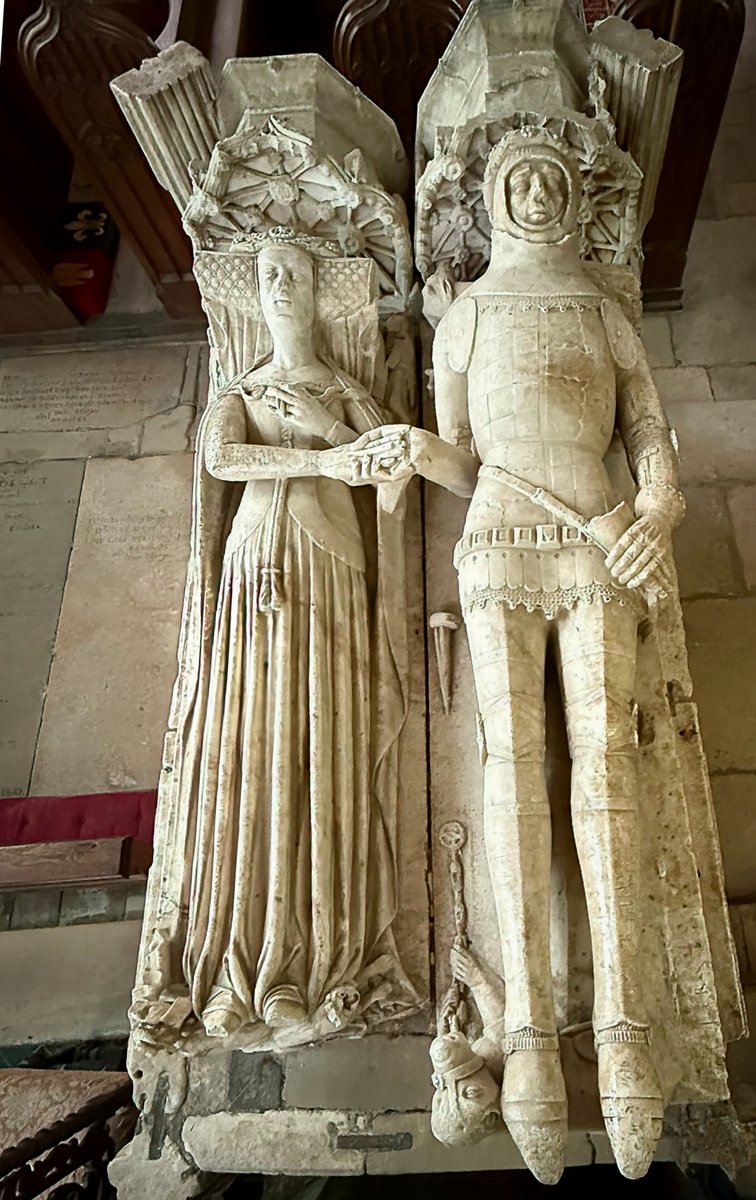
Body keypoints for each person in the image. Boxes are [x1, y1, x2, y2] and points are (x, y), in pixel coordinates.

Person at [361, 127, 685, 1182]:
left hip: (595, 535)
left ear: (568, 196)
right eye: (519, 178)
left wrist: (660, 503)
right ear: (496, 200)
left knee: (606, 771)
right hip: (499, 537)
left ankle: (628, 1033)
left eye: (550, 177)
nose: (537, 190)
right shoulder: (462, 316)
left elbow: (646, 432)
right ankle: (535, 1046)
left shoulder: (600, 309)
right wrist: (419, 450)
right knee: (511, 773)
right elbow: (461, 452)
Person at [133, 235, 419, 1048]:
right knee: (248, 753)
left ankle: (318, 964)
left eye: (296, 272)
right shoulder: (242, 386)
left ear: (320, 292)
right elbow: (219, 458)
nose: (283, 285)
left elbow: (387, 467)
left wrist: (326, 431)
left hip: (332, 564)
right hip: (257, 560)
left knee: (325, 747)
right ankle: (234, 970)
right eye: (268, 276)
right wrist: (310, 455)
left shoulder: (347, 392)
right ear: (254, 297)